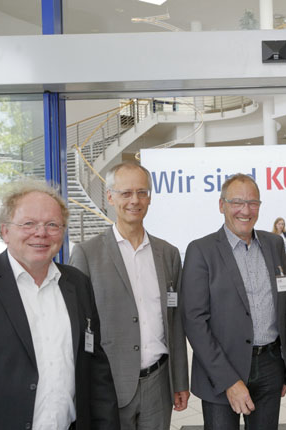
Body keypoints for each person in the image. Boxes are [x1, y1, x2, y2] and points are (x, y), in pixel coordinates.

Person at [0, 181, 119, 429]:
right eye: (28, 224)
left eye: (52, 225)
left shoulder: (77, 283)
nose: (41, 233)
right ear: (5, 231)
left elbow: (95, 369)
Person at [70, 162, 189, 430]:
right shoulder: (87, 254)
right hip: (109, 384)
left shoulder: (168, 254)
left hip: (159, 385)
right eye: (126, 193)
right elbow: (79, 329)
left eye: (142, 192)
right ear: (110, 197)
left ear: (149, 197)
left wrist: (180, 380)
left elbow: (175, 322)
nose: (135, 200)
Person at [182, 173, 286, 430]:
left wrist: (284, 370)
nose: (246, 210)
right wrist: (229, 381)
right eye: (237, 202)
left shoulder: (274, 244)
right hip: (221, 369)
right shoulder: (201, 251)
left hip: (269, 365)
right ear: (222, 205)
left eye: (253, 203)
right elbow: (194, 321)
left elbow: (282, 305)